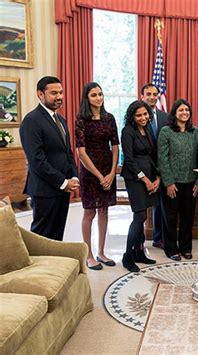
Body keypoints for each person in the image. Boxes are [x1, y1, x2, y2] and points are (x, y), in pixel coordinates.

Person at [20, 76, 80, 241]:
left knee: (57, 236)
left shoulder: (60, 119)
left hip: (63, 189)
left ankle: (56, 266)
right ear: (40, 94)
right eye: (54, 93)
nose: (59, 97)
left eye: (61, 92)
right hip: (44, 190)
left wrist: (73, 177)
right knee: (42, 238)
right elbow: (36, 161)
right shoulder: (31, 120)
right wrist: (63, 182)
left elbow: (68, 153)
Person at [75, 82, 119, 270]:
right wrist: (100, 176)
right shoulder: (81, 119)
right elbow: (81, 153)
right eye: (94, 95)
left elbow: (115, 147)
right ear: (87, 98)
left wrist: (111, 172)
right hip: (90, 170)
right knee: (90, 211)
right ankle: (89, 254)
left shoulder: (109, 118)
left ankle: (101, 252)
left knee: (104, 210)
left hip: (108, 167)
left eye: (100, 94)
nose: (98, 98)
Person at [158, 99, 198, 261]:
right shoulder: (166, 131)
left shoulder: (196, 132)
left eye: (187, 110)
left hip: (191, 183)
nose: (184, 113)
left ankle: (185, 248)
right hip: (172, 183)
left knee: (187, 217)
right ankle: (170, 249)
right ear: (174, 113)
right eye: (181, 110)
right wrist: (168, 182)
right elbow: (162, 158)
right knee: (170, 217)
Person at [120, 100, 159, 272]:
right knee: (139, 216)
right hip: (135, 178)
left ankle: (139, 252)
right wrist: (146, 180)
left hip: (150, 176)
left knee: (144, 216)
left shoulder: (148, 129)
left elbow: (152, 155)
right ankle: (127, 256)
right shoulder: (127, 131)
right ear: (132, 117)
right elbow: (129, 159)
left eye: (145, 114)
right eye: (139, 115)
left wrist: (157, 177)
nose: (143, 117)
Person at [141, 83, 170, 250]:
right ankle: (139, 239)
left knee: (160, 204)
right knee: (142, 206)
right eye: (148, 94)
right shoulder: (136, 115)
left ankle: (158, 237)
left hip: (161, 167)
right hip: (143, 167)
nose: (152, 97)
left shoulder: (165, 117)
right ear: (142, 96)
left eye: (155, 94)